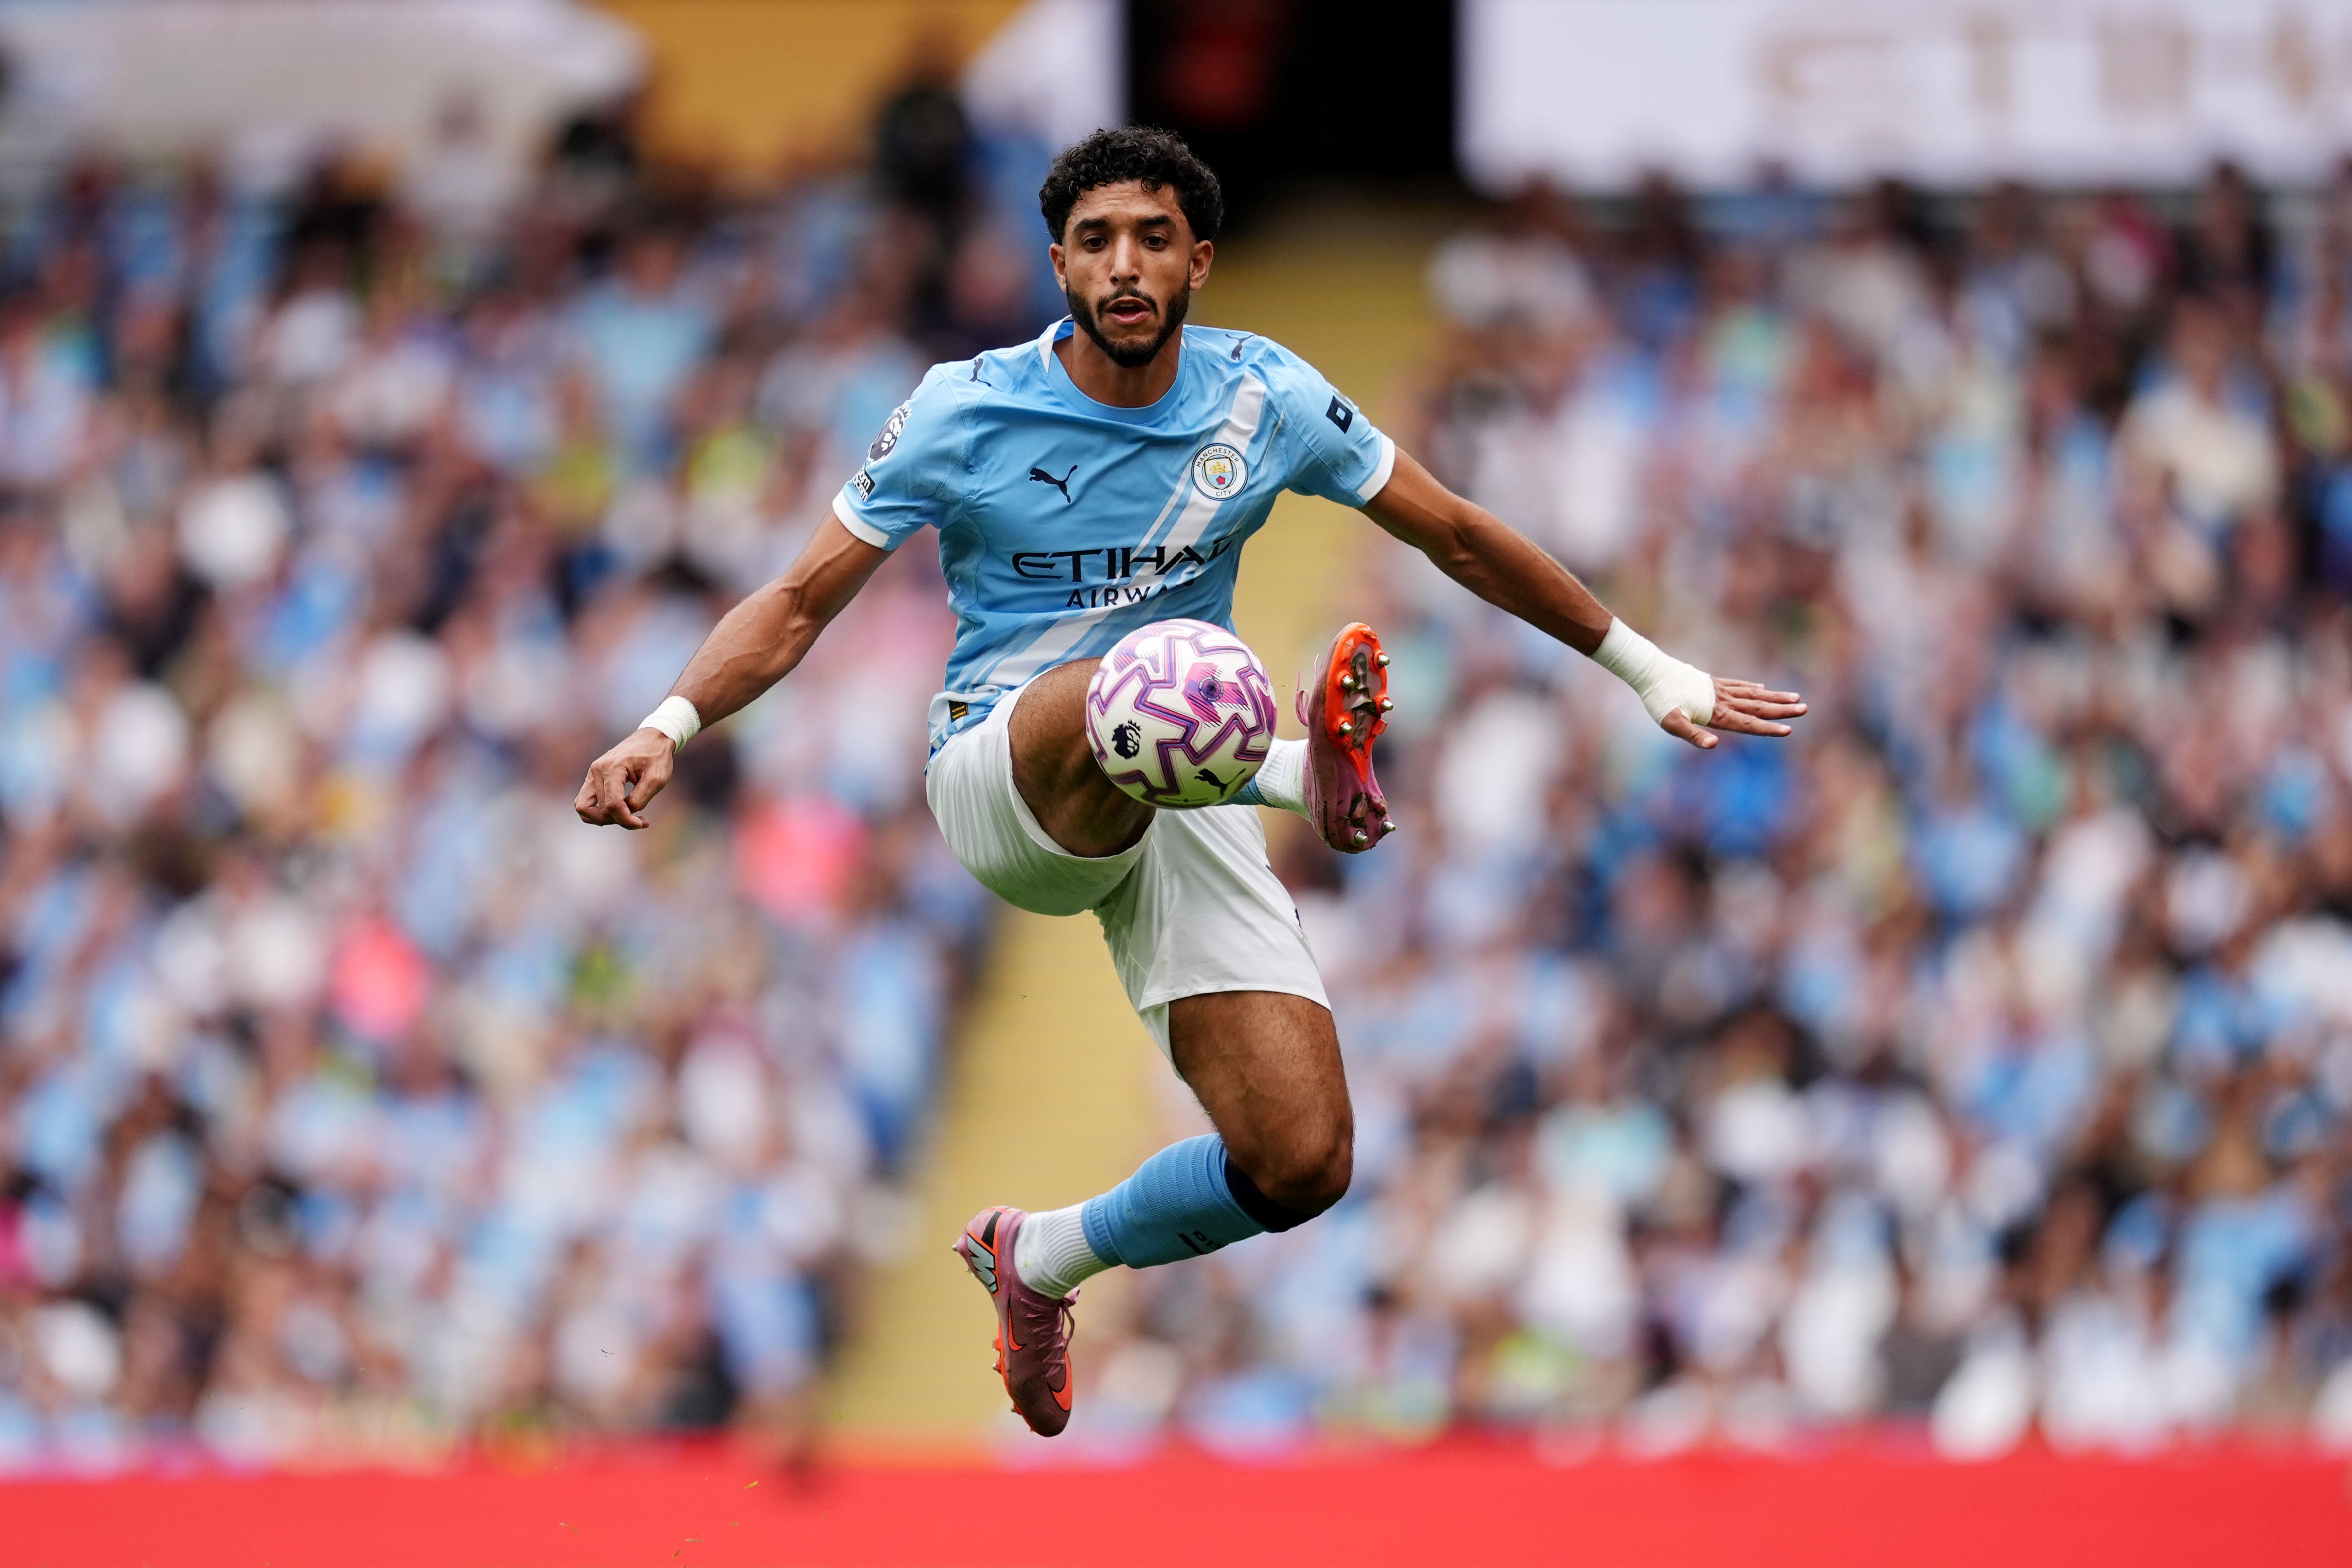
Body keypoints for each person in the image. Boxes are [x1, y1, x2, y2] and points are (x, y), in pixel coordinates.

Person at [574, 127, 1806, 1436]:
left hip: (1178, 776)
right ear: (1057, 261)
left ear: (1198, 262)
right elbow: (798, 596)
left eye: (1152, 238)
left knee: (1300, 1160)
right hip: (1009, 767)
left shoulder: (1261, 397)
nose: (1123, 263)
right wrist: (670, 719)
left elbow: (1451, 529)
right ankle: (1298, 774)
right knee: (1154, 668)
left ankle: (1041, 1256)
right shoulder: (963, 406)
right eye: (1095, 239)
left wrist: (1642, 664)